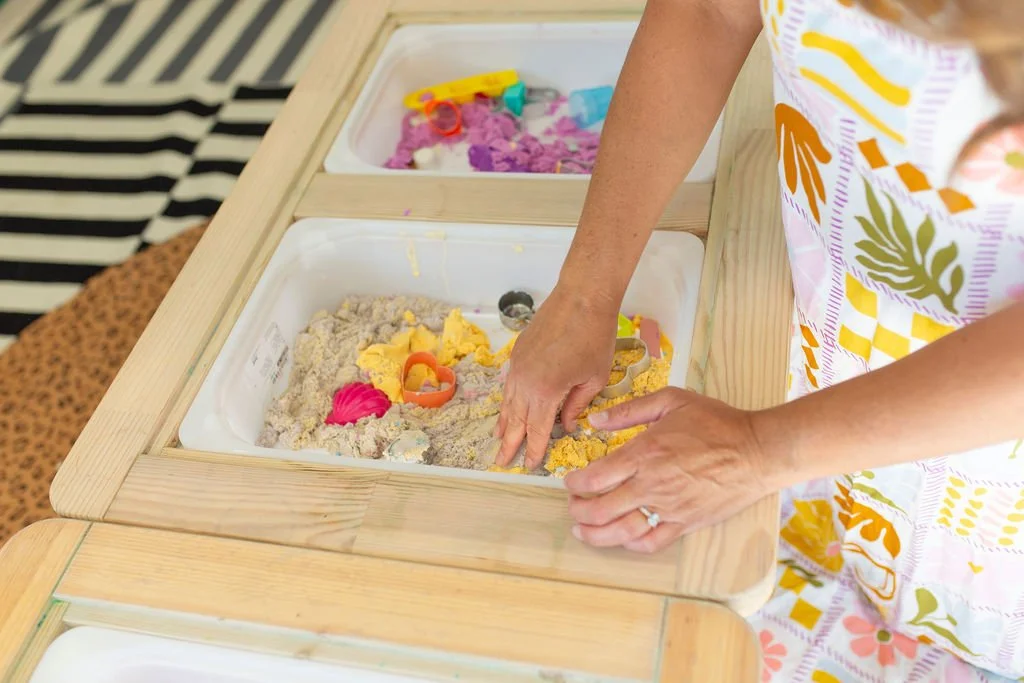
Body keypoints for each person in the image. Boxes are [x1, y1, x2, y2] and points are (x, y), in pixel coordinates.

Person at [495, 0, 1024, 680]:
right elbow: (712, 12)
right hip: (824, 351)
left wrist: (759, 448)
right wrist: (584, 292)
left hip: (989, 475)